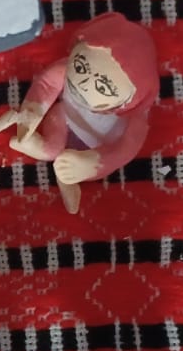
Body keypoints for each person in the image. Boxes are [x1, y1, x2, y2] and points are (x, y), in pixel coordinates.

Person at [9, 13, 159, 213]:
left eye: (103, 87)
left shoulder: (135, 115)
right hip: (64, 119)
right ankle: (46, 149)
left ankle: (71, 178)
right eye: (80, 67)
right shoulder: (64, 68)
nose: (84, 84)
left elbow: (125, 149)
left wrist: (94, 165)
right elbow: (45, 85)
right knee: (56, 132)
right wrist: (32, 112)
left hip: (97, 147)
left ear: (130, 99)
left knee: (72, 167)